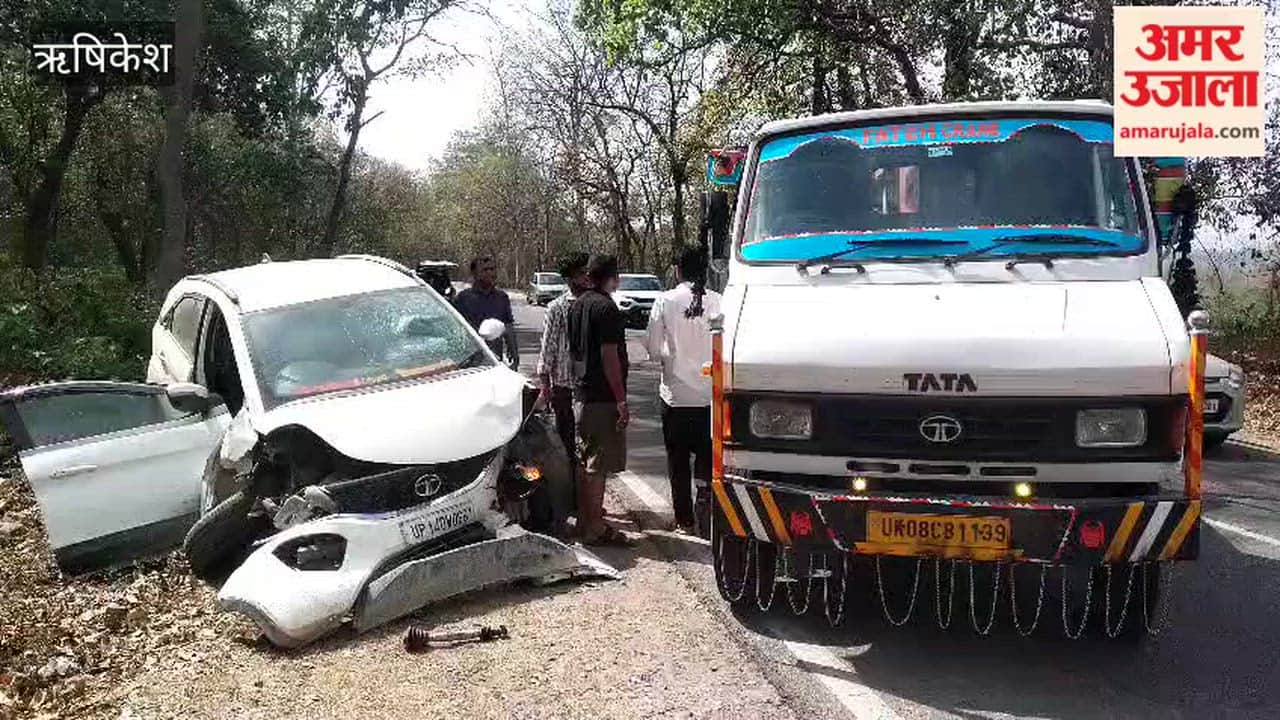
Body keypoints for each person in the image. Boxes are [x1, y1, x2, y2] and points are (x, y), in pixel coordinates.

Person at [645, 246, 721, 536]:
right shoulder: (719, 301)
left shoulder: (665, 301)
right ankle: (707, 511)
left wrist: (669, 356)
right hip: (710, 396)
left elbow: (654, 349)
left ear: (678, 269)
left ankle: (685, 522)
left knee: (677, 462)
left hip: (675, 396)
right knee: (707, 458)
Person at [568, 254, 631, 545]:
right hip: (601, 397)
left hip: (581, 394)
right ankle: (595, 527)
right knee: (597, 465)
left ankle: (585, 520)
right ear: (611, 277)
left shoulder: (577, 305)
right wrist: (620, 399)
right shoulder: (606, 309)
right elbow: (609, 357)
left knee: (585, 462)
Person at [536, 252, 590, 482]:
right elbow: (548, 346)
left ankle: (587, 496)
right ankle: (570, 494)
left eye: (586, 271)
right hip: (563, 385)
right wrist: (545, 383)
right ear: (569, 278)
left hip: (588, 385)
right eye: (580, 273)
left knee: (587, 442)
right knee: (567, 440)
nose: (586, 276)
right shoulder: (557, 307)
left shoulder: (594, 303)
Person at [453, 256, 518, 369]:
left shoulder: (502, 297)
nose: (490, 273)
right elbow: (455, 331)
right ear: (474, 273)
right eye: (485, 270)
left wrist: (514, 353)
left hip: (495, 361)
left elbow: (508, 326)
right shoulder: (463, 298)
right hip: (470, 363)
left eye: (492, 269)